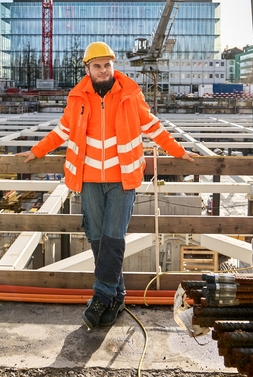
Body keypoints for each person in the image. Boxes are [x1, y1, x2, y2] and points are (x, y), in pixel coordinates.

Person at [16, 41, 196, 330]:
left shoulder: (130, 94)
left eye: (107, 65)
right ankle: (117, 297)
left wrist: (178, 151)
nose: (103, 70)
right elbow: (62, 130)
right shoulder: (77, 98)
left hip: (122, 179)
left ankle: (100, 297)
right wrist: (36, 151)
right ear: (87, 69)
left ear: (114, 67)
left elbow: (152, 126)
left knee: (114, 236)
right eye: (97, 66)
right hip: (88, 179)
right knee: (99, 239)